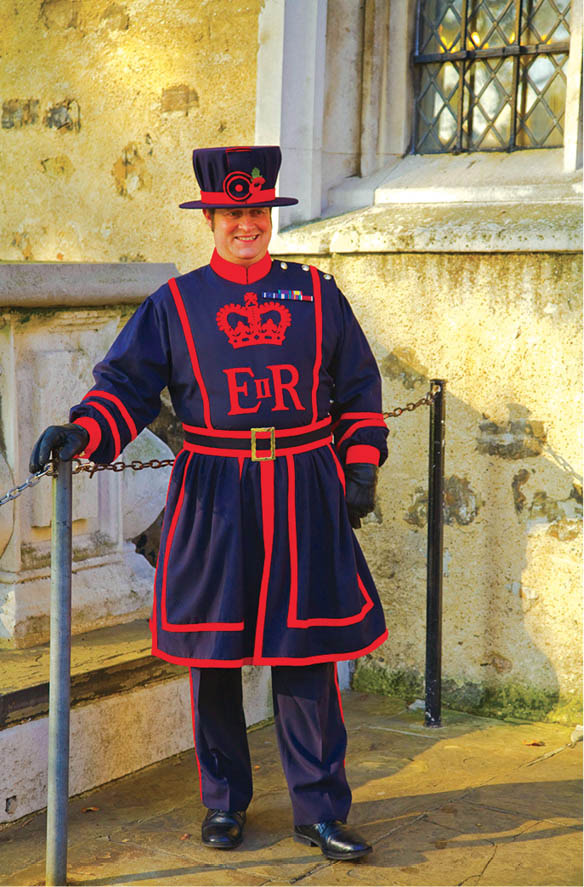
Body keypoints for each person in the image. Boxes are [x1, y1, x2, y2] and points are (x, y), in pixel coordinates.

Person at [30, 145, 389, 860]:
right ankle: (224, 803)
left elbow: (358, 387)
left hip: (302, 491)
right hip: (215, 493)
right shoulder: (176, 304)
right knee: (215, 655)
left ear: (270, 214)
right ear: (212, 219)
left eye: (256, 210)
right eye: (232, 213)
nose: (245, 224)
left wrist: (360, 464)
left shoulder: (317, 295)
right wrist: (85, 430)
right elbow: (126, 386)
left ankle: (320, 810)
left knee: (307, 657)